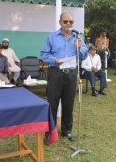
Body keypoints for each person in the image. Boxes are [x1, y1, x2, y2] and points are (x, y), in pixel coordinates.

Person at [40, 12, 88, 142]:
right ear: (60, 22)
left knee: (68, 103)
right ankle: (50, 132)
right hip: (55, 73)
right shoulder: (52, 37)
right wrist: (54, 60)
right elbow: (43, 54)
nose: (68, 24)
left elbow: (84, 56)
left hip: (70, 74)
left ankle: (66, 130)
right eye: (65, 21)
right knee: (53, 103)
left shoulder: (78, 38)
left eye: (70, 22)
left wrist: (80, 48)